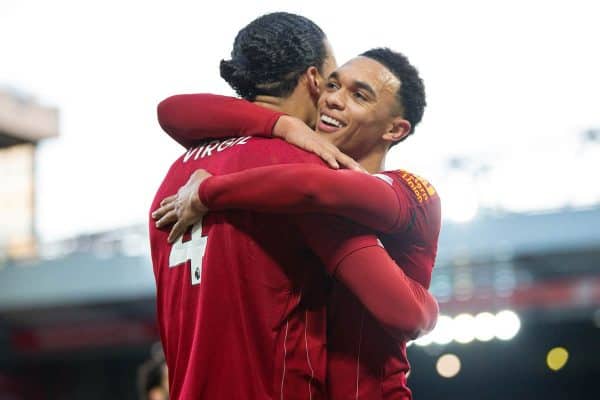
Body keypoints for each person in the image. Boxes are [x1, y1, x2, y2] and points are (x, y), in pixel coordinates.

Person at [149, 13, 437, 400]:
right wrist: (284, 128)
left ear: (395, 129)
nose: (334, 99)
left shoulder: (179, 173)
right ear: (315, 80)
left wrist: (209, 192)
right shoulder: (294, 168)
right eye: (334, 82)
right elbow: (409, 314)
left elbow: (171, 110)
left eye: (359, 94)